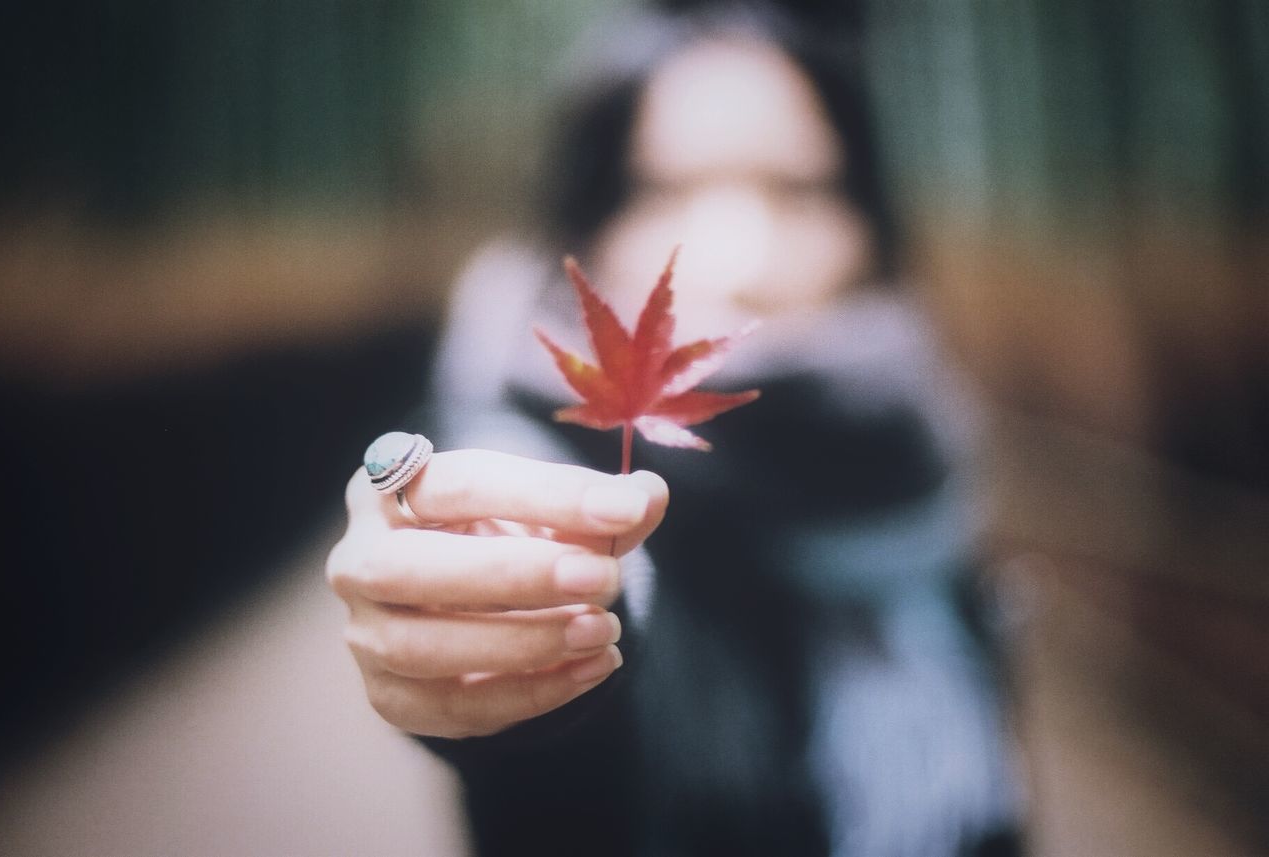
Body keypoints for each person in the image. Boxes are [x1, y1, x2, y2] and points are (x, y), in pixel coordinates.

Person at [327, 4, 1023, 855]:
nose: (741, 257)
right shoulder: (530, 444)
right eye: (666, 190)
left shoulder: (917, 462)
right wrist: (519, 635)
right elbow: (563, 730)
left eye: (799, 189)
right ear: (585, 223)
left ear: (870, 221)